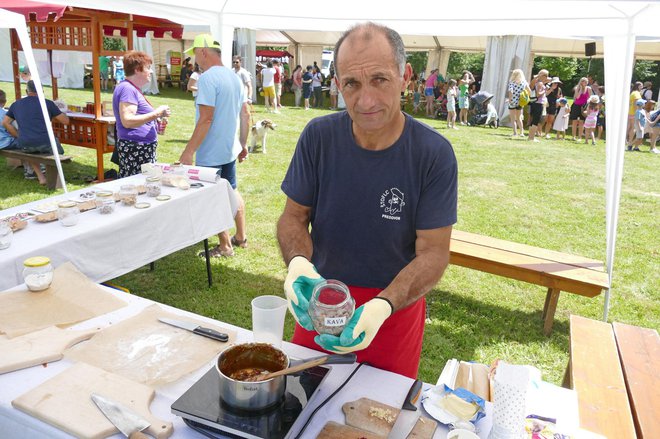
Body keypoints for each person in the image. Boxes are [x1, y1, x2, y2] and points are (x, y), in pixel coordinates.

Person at [277, 22, 457, 379]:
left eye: (379, 79)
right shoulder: (319, 137)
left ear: (405, 75)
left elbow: (434, 252)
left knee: (379, 417)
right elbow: (293, 217)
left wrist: (382, 305)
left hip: (392, 310)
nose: (366, 100)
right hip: (321, 300)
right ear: (338, 84)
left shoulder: (433, 154)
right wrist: (298, 264)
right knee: (302, 404)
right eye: (352, 84)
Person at [179, 34, 250, 257]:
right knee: (232, 191)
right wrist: (242, 144)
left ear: (203, 51)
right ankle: (241, 237)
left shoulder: (208, 78)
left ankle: (225, 245)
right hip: (228, 149)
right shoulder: (234, 77)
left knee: (213, 198)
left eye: (194, 55)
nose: (194, 61)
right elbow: (245, 114)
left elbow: (206, 119)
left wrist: (189, 151)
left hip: (211, 152)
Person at [112, 51, 170, 178]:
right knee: (138, 188)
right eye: (148, 68)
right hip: (136, 149)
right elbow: (127, 121)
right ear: (138, 70)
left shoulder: (130, 88)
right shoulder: (128, 89)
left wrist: (156, 119)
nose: (151, 71)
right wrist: (156, 114)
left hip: (139, 148)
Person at [2, 80, 70, 185]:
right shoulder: (47, 103)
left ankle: (41, 177)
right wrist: (58, 113)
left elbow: (5, 123)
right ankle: (55, 177)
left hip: (25, 143)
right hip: (46, 142)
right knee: (58, 150)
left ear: (26, 91)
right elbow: (66, 121)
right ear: (41, 91)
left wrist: (18, 136)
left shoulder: (16, 104)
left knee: (29, 151)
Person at [506, 69, 530, 138]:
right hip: (520, 102)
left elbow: (511, 91)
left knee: (513, 118)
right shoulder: (524, 83)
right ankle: (521, 132)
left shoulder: (512, 82)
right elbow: (529, 91)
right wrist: (525, 96)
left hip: (513, 102)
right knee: (519, 118)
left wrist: (510, 100)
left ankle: (515, 132)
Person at [527, 69, 549, 143]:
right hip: (538, 104)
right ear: (543, 76)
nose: (547, 77)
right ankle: (532, 138)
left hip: (534, 103)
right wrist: (545, 90)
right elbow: (538, 94)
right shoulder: (540, 84)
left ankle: (530, 137)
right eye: (546, 75)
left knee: (532, 121)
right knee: (535, 121)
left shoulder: (536, 82)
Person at [570, 77, 592, 141]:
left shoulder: (589, 88)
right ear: (580, 82)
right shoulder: (577, 88)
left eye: (585, 81)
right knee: (574, 121)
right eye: (583, 81)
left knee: (581, 122)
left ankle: (579, 137)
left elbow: (590, 97)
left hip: (584, 106)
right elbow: (577, 97)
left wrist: (587, 104)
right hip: (576, 105)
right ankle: (573, 136)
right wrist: (580, 89)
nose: (584, 83)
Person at [626, 82, 643, 148]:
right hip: (634, 113)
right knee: (633, 128)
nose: (642, 87)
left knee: (629, 127)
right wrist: (638, 112)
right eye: (641, 86)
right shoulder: (637, 93)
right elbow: (636, 104)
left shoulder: (633, 92)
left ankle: (626, 141)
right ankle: (630, 142)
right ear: (638, 86)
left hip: (630, 112)